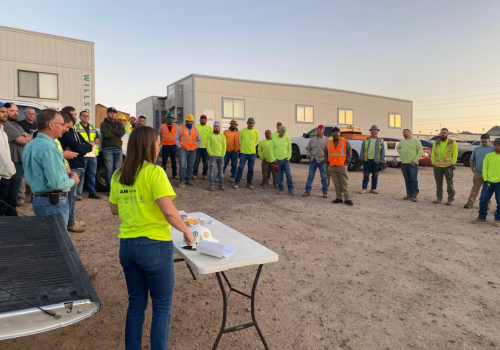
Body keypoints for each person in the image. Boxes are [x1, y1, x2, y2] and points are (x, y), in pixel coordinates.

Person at [109, 126, 195, 350]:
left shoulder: (119, 174)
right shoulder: (154, 172)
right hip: (154, 246)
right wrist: (186, 231)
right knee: (162, 306)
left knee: (136, 304)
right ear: (149, 146)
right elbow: (168, 211)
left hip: (127, 246)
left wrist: (134, 202)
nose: (159, 147)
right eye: (158, 143)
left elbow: (114, 209)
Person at [22, 109, 78, 226]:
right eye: (61, 124)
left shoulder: (30, 145)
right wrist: (73, 181)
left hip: (39, 200)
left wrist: (62, 174)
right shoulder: (50, 148)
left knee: (47, 240)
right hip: (52, 203)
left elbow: (38, 172)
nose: (64, 128)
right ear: (51, 125)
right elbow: (56, 184)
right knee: (59, 240)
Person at [59, 111, 93, 232]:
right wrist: (80, 147)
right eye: (72, 115)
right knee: (70, 196)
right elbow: (81, 149)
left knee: (74, 196)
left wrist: (81, 147)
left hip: (80, 164)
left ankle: (70, 220)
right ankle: (70, 223)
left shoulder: (74, 131)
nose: (74, 117)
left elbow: (88, 146)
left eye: (74, 114)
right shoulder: (66, 133)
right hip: (72, 165)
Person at [3, 103, 31, 210]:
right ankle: (10, 212)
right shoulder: (6, 125)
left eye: (16, 110)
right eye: (12, 111)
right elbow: (23, 140)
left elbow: (28, 136)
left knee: (15, 187)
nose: (15, 113)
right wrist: (27, 137)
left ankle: (10, 211)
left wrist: (27, 137)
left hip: (20, 160)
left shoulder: (16, 125)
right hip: (13, 161)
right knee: (12, 190)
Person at [471, 138, 500, 227]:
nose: (497, 147)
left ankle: (498, 219)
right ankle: (482, 217)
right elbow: (485, 168)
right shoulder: (489, 156)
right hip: (488, 182)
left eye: (499, 145)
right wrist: (486, 179)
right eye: (495, 145)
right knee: (483, 200)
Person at [74, 110, 102, 199]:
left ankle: (92, 193)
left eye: (87, 116)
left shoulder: (92, 128)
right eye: (84, 115)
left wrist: (94, 142)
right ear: (80, 117)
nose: (86, 117)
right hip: (82, 154)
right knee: (81, 175)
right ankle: (78, 194)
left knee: (92, 174)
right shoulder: (76, 127)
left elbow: (98, 139)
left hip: (92, 154)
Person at [325, 126, 353, 205]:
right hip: (332, 166)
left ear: (340, 133)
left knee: (344, 182)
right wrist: (327, 162)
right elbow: (325, 153)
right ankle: (339, 198)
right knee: (336, 183)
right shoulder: (328, 142)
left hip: (342, 166)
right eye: (333, 132)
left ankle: (348, 199)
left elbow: (349, 153)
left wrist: (346, 162)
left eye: (337, 132)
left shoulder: (345, 141)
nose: (335, 133)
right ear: (332, 133)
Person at [464, 134, 494, 209]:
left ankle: (487, 204)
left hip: (489, 174)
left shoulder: (493, 149)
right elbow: (472, 159)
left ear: (489, 140)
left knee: (487, 190)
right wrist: (472, 169)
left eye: (486, 138)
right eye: (482, 138)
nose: (484, 140)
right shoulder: (476, 149)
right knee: (475, 189)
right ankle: (470, 203)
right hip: (478, 172)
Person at [100, 107, 125, 192]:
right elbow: (105, 135)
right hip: (107, 149)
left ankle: (117, 189)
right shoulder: (103, 124)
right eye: (111, 113)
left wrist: (111, 131)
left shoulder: (119, 124)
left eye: (114, 113)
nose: (113, 114)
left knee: (117, 171)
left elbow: (122, 132)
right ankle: (110, 190)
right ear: (107, 114)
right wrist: (116, 133)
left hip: (118, 149)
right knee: (109, 171)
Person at [431, 128, 458, 205]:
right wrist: (433, 162)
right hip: (437, 166)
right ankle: (439, 198)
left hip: (448, 166)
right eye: (442, 132)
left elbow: (455, 154)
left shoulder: (452, 142)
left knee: (449, 183)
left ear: (447, 134)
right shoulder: (436, 143)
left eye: (444, 132)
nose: (443, 134)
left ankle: (450, 199)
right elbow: (433, 153)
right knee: (438, 183)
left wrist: (452, 163)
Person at [16, 108, 37, 205]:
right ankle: (21, 198)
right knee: (22, 176)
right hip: (23, 151)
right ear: (24, 114)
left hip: (36, 152)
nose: (31, 115)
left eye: (33, 113)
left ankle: (35, 196)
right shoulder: (19, 124)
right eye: (29, 113)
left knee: (35, 174)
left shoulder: (38, 125)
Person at [396, 129, 423, 202]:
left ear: (410, 132)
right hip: (404, 164)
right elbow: (397, 148)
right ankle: (409, 194)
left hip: (413, 164)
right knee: (407, 179)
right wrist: (402, 153)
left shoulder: (415, 141)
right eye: (403, 132)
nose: (404, 133)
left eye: (405, 132)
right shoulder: (402, 142)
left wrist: (415, 160)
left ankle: (414, 194)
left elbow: (420, 151)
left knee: (413, 179)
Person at [303, 125, 329, 198]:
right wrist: (309, 155)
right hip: (313, 160)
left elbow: (329, 150)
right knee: (310, 176)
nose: (318, 131)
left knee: (324, 176)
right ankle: (307, 190)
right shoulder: (312, 139)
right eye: (318, 130)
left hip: (322, 161)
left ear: (323, 131)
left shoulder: (327, 140)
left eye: (320, 130)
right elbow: (308, 148)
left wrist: (326, 158)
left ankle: (325, 192)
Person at [175, 114, 201, 187]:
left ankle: (188, 180)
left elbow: (199, 140)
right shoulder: (180, 128)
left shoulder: (196, 129)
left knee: (190, 166)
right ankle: (182, 181)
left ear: (192, 121)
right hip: (183, 149)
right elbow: (176, 138)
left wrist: (196, 147)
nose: (189, 122)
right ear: (186, 121)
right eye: (188, 121)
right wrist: (180, 146)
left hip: (193, 150)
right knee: (182, 165)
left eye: (191, 121)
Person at [359, 125, 386, 194]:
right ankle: (364, 188)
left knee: (375, 175)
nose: (374, 132)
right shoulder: (366, 140)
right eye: (372, 131)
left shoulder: (380, 141)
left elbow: (382, 151)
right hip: (367, 161)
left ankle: (373, 189)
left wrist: (382, 161)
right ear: (370, 132)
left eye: (375, 131)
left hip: (376, 161)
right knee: (366, 175)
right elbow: (362, 149)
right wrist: (361, 158)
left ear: (377, 132)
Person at [234, 118, 259, 190]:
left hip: (252, 153)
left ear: (254, 123)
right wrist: (243, 147)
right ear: (247, 123)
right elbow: (240, 140)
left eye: (252, 123)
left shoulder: (256, 132)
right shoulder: (243, 131)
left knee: (251, 169)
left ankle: (249, 183)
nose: (250, 124)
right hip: (244, 153)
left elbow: (256, 141)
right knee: (240, 167)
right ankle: (237, 182)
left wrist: (252, 146)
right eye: (249, 122)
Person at [0, 103, 16, 216]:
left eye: (6, 111)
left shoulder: (3, 133)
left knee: (8, 206)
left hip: (8, 175)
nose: (5, 114)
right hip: (1, 177)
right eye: (2, 112)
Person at [270, 126, 294, 196]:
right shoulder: (274, 139)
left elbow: (290, 148)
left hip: (285, 160)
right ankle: (281, 189)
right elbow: (271, 150)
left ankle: (291, 189)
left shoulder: (287, 139)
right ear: (279, 131)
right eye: (281, 131)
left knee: (288, 175)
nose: (282, 133)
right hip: (277, 161)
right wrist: (273, 159)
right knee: (278, 175)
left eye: (284, 131)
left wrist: (288, 157)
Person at [206, 122, 226, 191]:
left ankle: (221, 184)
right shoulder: (210, 135)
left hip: (220, 156)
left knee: (221, 171)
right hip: (213, 156)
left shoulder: (222, 136)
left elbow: (224, 146)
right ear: (213, 127)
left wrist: (223, 154)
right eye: (215, 126)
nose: (216, 127)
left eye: (218, 126)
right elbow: (208, 145)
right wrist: (210, 153)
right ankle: (212, 185)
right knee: (212, 171)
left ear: (219, 127)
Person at [193, 115, 212, 180]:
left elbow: (211, 137)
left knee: (205, 161)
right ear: (199, 120)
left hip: (206, 147)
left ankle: (205, 174)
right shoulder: (195, 127)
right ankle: (195, 174)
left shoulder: (209, 128)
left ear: (206, 120)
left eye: (204, 119)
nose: (203, 120)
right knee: (196, 161)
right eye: (202, 118)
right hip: (197, 147)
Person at [160, 112, 179, 179]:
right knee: (164, 160)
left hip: (173, 145)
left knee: (174, 160)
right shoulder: (162, 126)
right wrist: (159, 144)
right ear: (166, 119)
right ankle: (163, 175)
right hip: (165, 146)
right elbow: (158, 136)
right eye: (168, 118)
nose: (169, 119)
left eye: (171, 118)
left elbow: (178, 136)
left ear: (173, 119)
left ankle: (174, 174)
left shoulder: (176, 127)